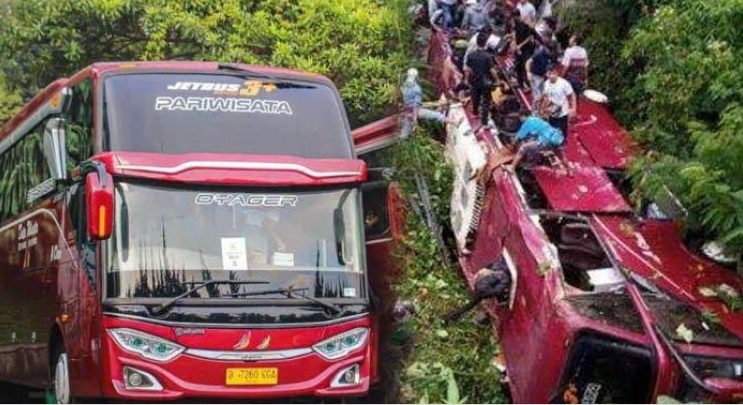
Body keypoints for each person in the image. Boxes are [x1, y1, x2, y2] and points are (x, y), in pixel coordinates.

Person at [399, 68, 452, 139]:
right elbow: (416, 105)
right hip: (415, 110)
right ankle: (453, 121)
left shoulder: (403, 86)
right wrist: (414, 118)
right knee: (435, 115)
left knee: (405, 130)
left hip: (406, 110)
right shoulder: (416, 88)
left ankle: (402, 139)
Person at [465, 30, 497, 128]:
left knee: (475, 97)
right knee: (486, 102)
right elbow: (492, 71)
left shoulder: (471, 55)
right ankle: (484, 123)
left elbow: (468, 69)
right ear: (485, 43)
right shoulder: (487, 57)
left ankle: (475, 112)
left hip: (474, 80)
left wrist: (467, 79)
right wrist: (497, 80)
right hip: (485, 82)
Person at [540, 63, 575, 142]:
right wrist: (543, 109)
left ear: (557, 73)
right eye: (550, 73)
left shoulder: (564, 83)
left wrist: (573, 108)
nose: (552, 75)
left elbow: (572, 95)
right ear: (546, 74)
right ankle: (554, 143)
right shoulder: (546, 84)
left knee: (563, 130)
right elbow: (546, 97)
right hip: (552, 112)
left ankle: (563, 142)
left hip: (563, 112)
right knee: (552, 128)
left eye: (554, 73)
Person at [526, 39, 556, 109]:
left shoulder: (552, 55)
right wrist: (528, 72)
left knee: (544, 94)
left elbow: (551, 66)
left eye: (552, 50)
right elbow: (528, 62)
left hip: (543, 76)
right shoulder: (539, 53)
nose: (551, 52)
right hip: (535, 76)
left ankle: (542, 109)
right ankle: (535, 112)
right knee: (537, 96)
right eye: (550, 50)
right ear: (546, 48)